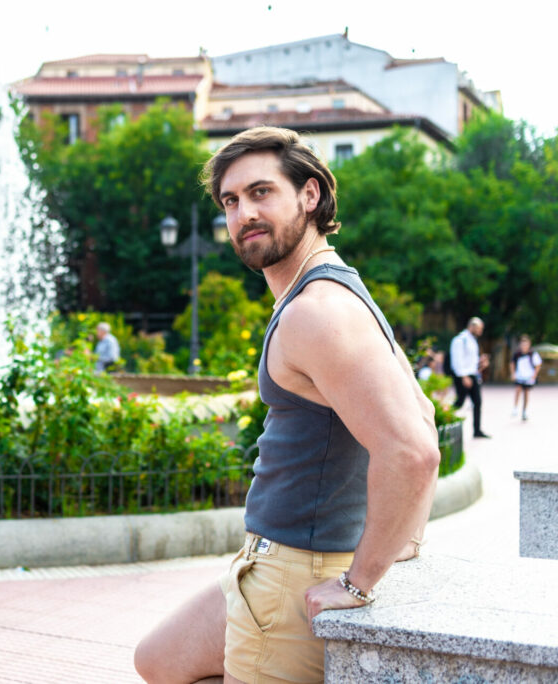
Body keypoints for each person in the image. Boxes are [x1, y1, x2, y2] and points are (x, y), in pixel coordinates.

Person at [134, 126, 439, 684]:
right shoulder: (335, 290)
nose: (244, 212)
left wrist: (360, 581)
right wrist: (400, 546)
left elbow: (414, 451)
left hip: (295, 571)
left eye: (261, 192)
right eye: (231, 201)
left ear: (310, 194)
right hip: (273, 561)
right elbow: (424, 415)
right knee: (158, 660)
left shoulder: (315, 312)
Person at [449, 317, 490, 438]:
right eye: (479, 329)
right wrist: (463, 376)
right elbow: (457, 360)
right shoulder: (461, 340)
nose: (480, 332)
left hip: (473, 375)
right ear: (472, 326)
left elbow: (470, 361)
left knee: (477, 402)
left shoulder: (473, 341)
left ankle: (477, 430)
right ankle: (442, 418)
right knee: (460, 402)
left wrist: (481, 362)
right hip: (463, 376)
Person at [510, 335, 542, 421]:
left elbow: (538, 365)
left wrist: (534, 375)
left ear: (529, 345)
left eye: (526, 344)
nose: (524, 346)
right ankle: (515, 407)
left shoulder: (532, 354)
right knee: (518, 390)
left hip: (528, 377)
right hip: (519, 376)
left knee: (526, 393)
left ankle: (524, 411)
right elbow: (512, 364)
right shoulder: (517, 354)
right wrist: (513, 374)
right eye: (522, 344)